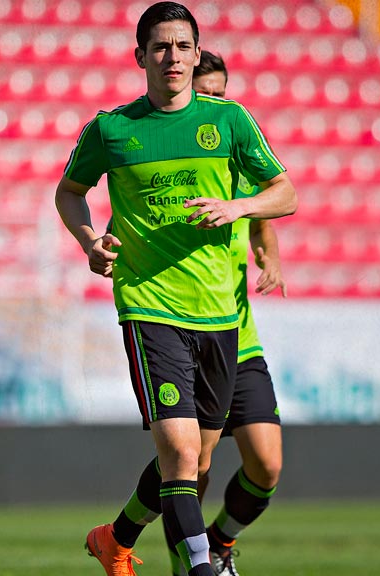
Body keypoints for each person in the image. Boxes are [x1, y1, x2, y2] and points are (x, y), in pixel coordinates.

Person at [54, 3, 296, 576]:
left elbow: (285, 193)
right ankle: (201, 565)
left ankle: (115, 538)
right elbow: (69, 192)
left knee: (199, 459)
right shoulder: (111, 128)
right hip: (148, 305)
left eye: (182, 46)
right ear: (140, 56)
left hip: (219, 317)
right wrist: (90, 240)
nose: (173, 57)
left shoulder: (230, 122)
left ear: (195, 52)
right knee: (182, 455)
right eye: (160, 47)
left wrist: (238, 207)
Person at [161, 50, 289, 576]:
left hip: (242, 338)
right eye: (203, 91)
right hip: (191, 332)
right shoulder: (183, 167)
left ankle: (218, 542)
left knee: (267, 465)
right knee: (198, 463)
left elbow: (264, 212)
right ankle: (185, 559)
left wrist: (272, 257)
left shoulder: (238, 161)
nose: (212, 102)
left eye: (218, 93)